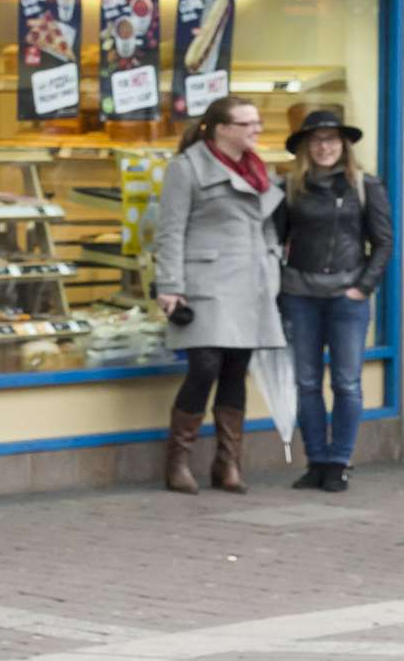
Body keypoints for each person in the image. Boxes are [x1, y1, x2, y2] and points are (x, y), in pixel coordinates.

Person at [154, 95, 285, 495]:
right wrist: (170, 286)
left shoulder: (260, 170)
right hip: (205, 283)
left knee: (234, 369)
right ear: (222, 128)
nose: (256, 130)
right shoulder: (187, 167)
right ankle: (178, 460)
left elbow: (264, 225)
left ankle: (228, 464)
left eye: (257, 123)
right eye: (248, 124)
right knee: (205, 366)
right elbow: (170, 230)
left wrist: (273, 257)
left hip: (250, 283)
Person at [276, 108, 392, 493]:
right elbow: (274, 242)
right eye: (317, 140)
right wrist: (280, 285)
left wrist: (362, 287)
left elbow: (383, 242)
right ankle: (316, 461)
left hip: (347, 298)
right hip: (300, 296)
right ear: (306, 147)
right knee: (306, 382)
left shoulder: (364, 185)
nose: (324, 147)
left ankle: (339, 461)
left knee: (346, 382)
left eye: (331, 139)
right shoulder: (291, 187)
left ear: (343, 145)